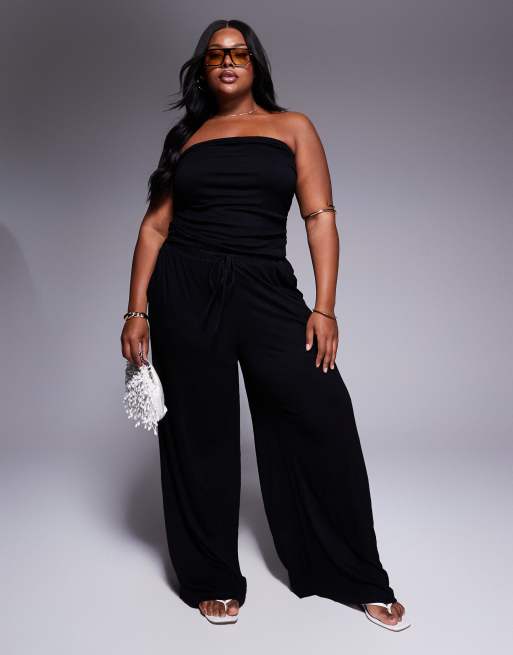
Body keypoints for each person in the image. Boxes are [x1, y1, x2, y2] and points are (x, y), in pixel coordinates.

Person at [121, 19, 411, 631]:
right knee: (199, 431)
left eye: (239, 53)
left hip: (264, 286)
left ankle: (353, 573)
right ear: (204, 70)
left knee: (321, 412)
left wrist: (324, 307)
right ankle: (211, 577)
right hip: (185, 287)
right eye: (216, 55)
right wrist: (136, 309)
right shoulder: (187, 136)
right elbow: (154, 226)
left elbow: (320, 216)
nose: (228, 61)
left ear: (255, 64)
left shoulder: (292, 127)